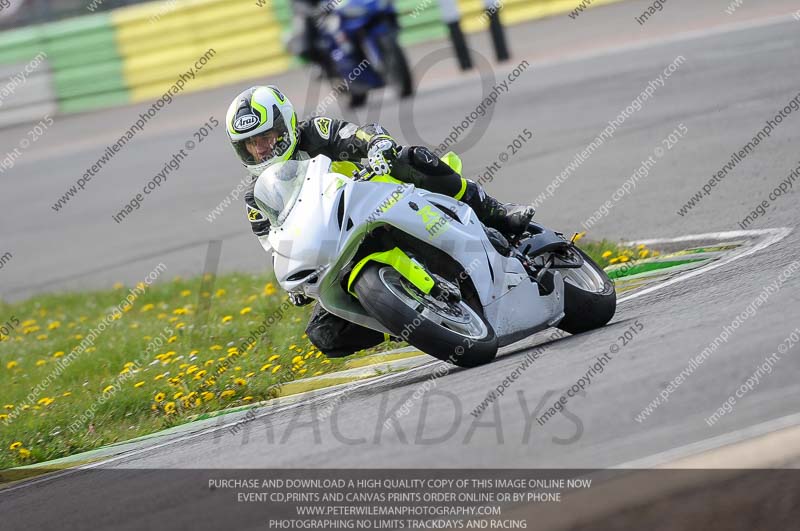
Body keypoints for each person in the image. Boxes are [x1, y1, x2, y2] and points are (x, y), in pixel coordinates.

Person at [226, 85, 534, 357]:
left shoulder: (314, 133)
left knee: (411, 158)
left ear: (286, 124)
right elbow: (277, 243)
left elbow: (356, 135)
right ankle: (410, 317)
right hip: (334, 245)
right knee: (323, 333)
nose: (261, 149)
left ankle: (494, 211)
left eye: (266, 137)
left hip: (376, 194)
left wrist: (376, 144)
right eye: (251, 145)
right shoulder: (258, 198)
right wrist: (296, 285)